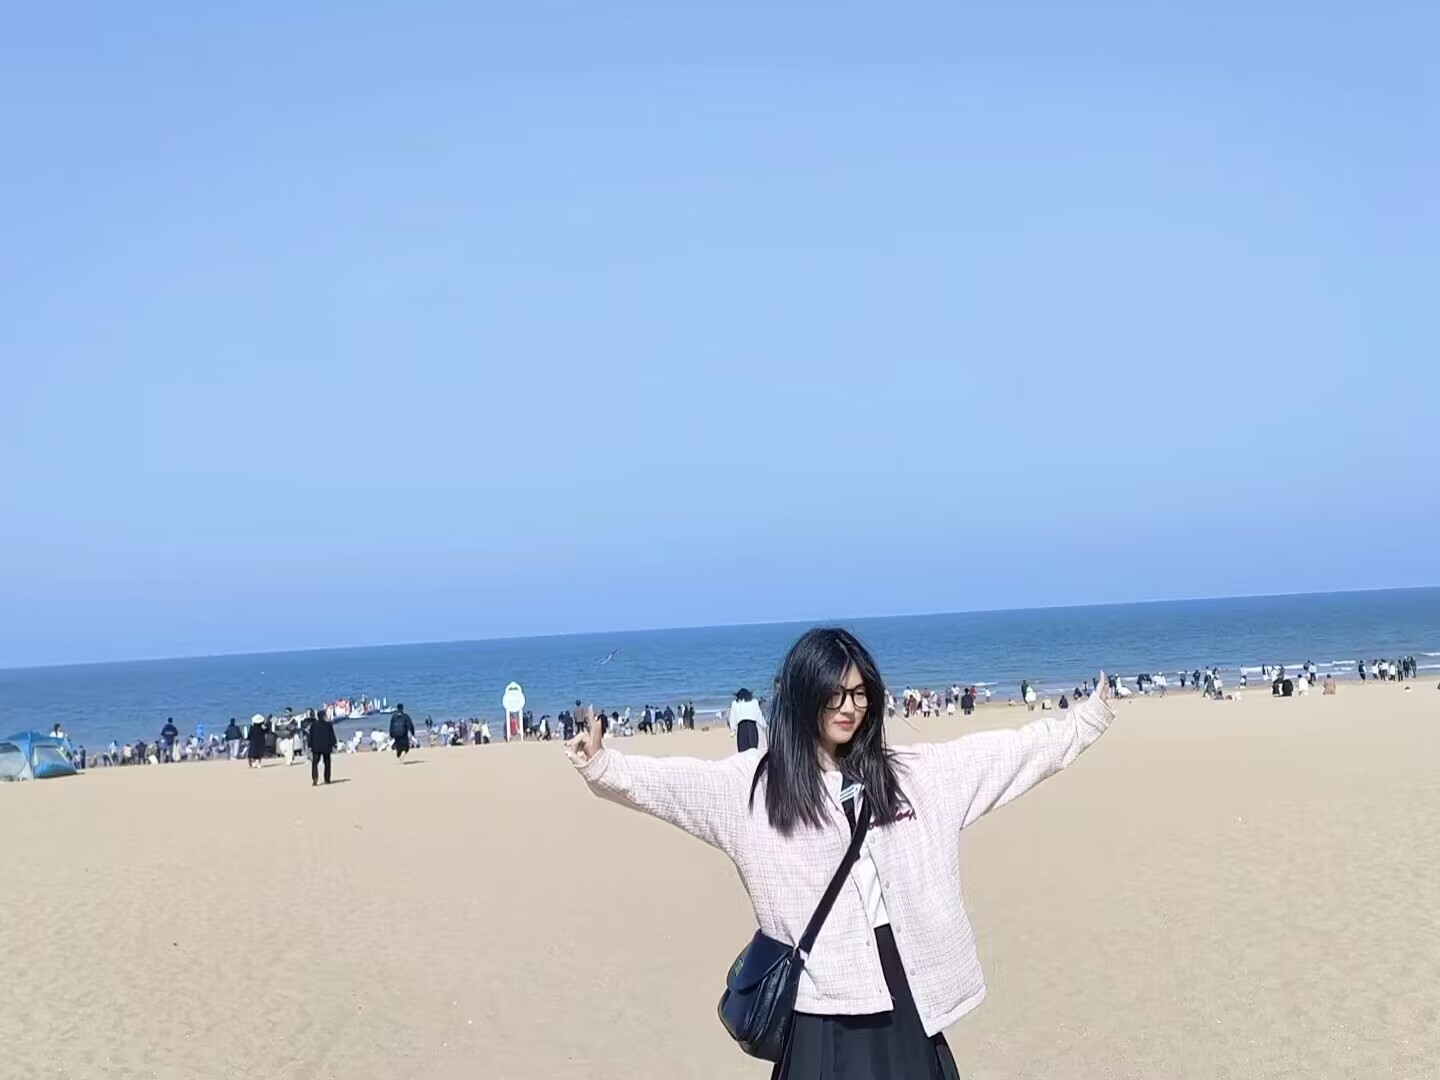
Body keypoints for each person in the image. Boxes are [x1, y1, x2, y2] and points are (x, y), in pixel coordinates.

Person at [567, 628, 1115, 1078]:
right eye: (835, 694)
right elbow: (672, 785)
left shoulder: (910, 777)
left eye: (859, 694)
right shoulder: (756, 788)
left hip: (901, 993)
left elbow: (1008, 754)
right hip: (822, 1007)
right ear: (804, 695)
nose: (849, 707)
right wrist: (603, 764)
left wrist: (1085, 721)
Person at [308, 708, 337, 786]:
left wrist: (309, 745)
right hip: (326, 747)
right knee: (327, 763)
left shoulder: (313, 725)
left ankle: (315, 779)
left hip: (316, 747)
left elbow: (310, 736)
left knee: (315, 763)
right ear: (324, 716)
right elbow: (332, 735)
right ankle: (327, 779)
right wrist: (334, 744)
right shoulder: (328, 725)